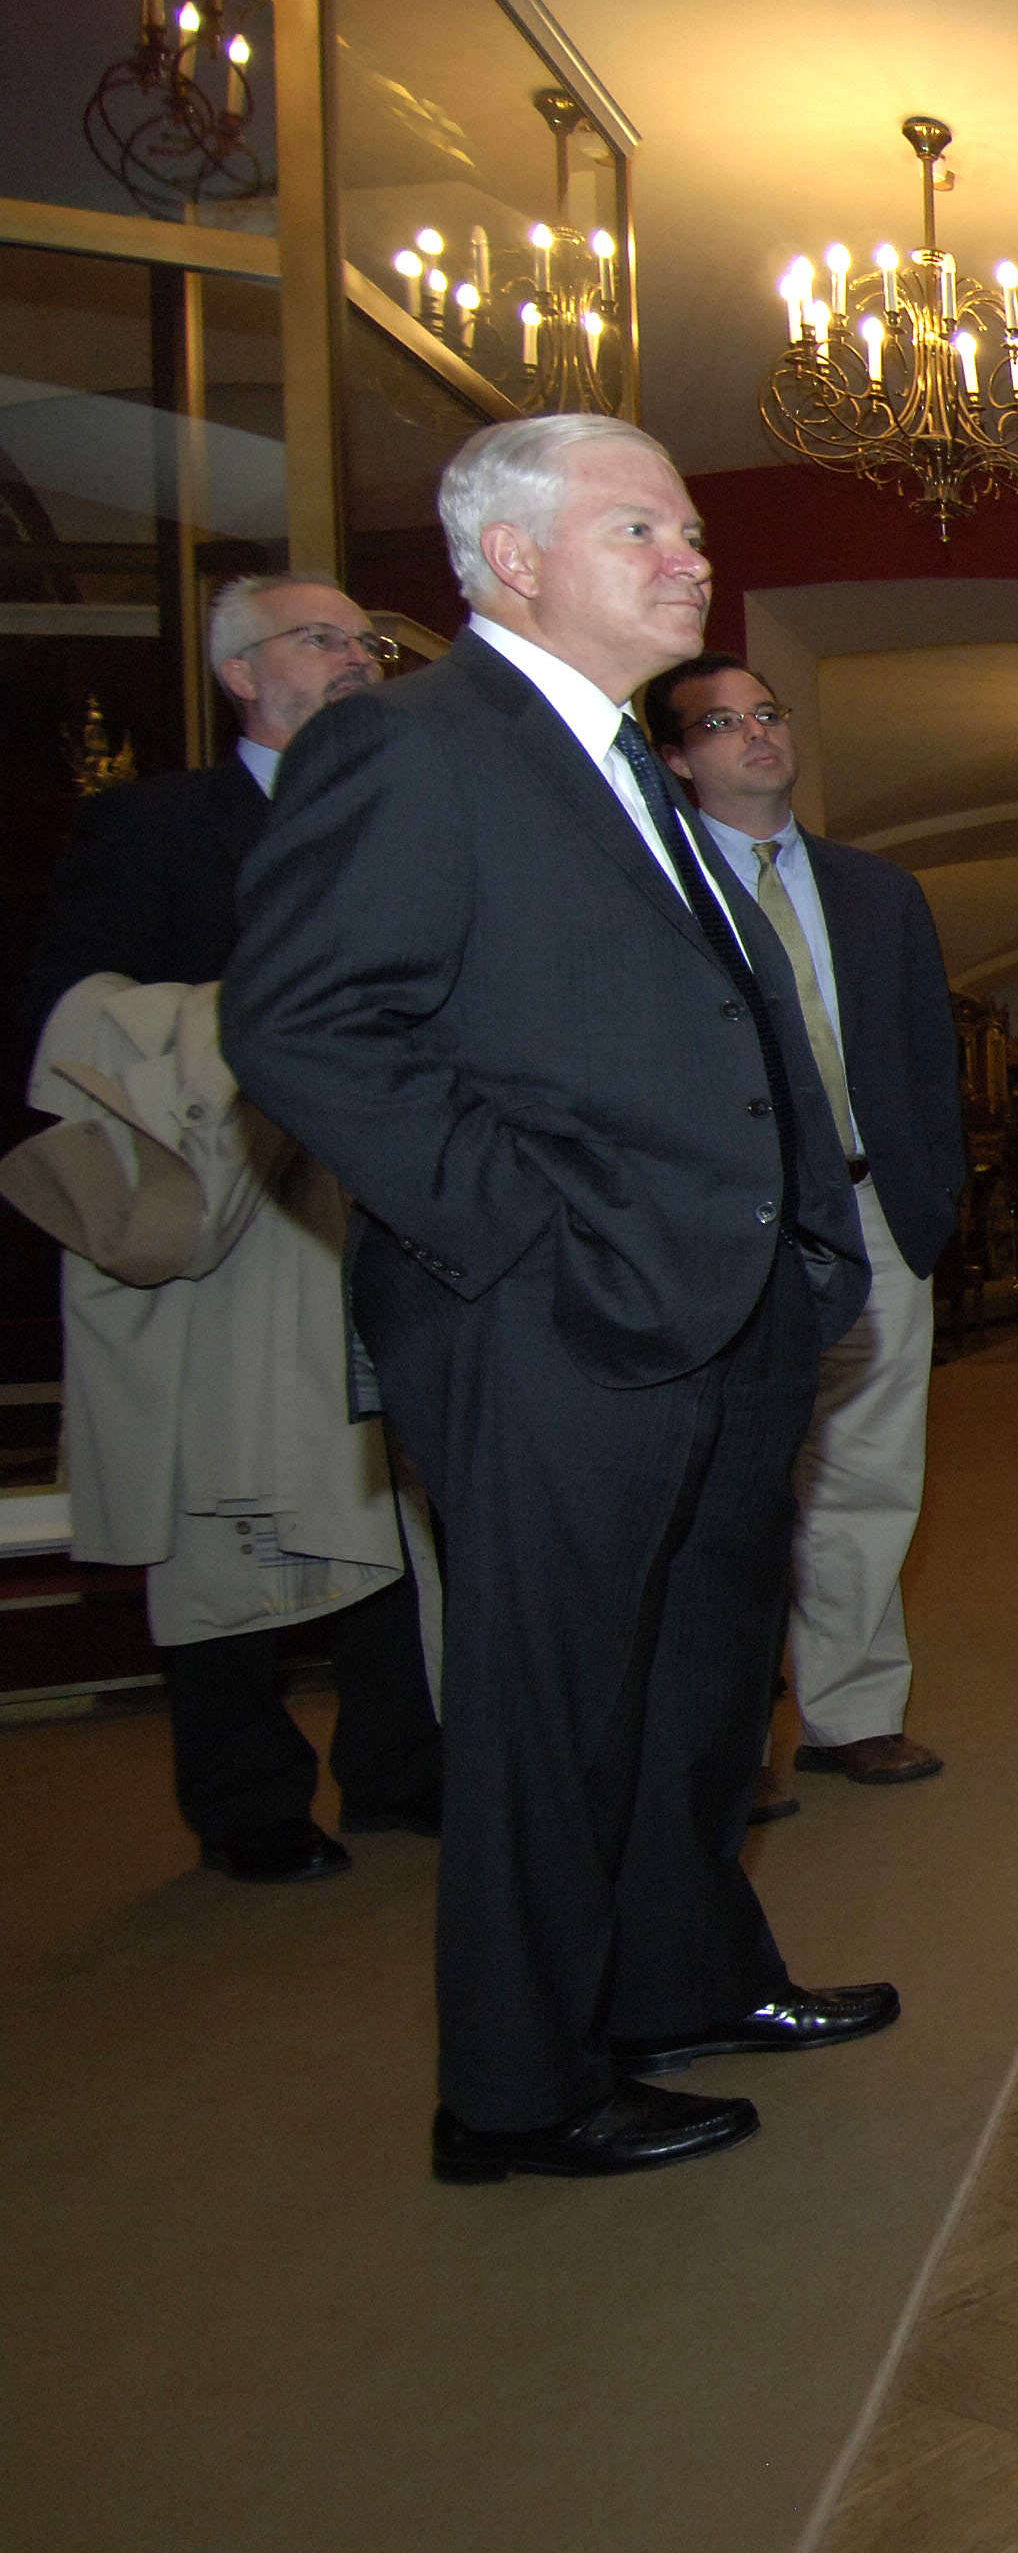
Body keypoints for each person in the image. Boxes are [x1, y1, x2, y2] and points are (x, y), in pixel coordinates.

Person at [223, 413, 895, 2187]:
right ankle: (516, 2089)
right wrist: (527, 1235)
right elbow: (300, 1022)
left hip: (725, 1312)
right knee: (552, 1710)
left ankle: (678, 1976)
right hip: (552, 1318)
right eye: (643, 531)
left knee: (694, 1685)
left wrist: (799, 1255)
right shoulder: (414, 746)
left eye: (685, 530)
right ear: (514, 562)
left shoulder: (624, 758)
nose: (689, 556)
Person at [9, 575, 441, 1877]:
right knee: (219, 1517)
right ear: (242, 673)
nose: (360, 659)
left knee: (390, 1498)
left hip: (376, 1209)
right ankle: (248, 1804)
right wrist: (245, 1032)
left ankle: (399, 1767)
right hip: (224, 1226)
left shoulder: (407, 823)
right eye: (324, 640)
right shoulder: (155, 826)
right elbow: (65, 1014)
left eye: (367, 641)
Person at [648, 655, 962, 1802]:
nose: (756, 735)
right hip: (727, 1226)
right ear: (678, 758)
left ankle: (853, 1710)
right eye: (721, 723)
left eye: (767, 713)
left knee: (871, 1470)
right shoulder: (652, 888)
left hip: (873, 1208)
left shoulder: (877, 891)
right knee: (728, 1480)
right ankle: (727, 1733)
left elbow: (929, 1059)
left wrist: (932, 1197)